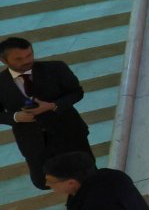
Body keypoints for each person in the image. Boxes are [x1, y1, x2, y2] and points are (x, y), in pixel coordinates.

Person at [1, 37, 93, 190]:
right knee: (43, 181)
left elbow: (76, 92)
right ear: (4, 60)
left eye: (29, 55)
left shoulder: (55, 68)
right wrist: (16, 117)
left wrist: (52, 106)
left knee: (86, 174)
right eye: (19, 58)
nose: (27, 60)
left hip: (69, 133)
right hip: (33, 141)